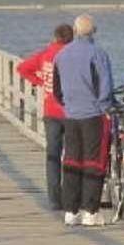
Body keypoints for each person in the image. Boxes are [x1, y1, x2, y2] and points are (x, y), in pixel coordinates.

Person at [52, 14, 116, 227]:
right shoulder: (98, 54)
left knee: (71, 161)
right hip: (93, 115)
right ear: (93, 31)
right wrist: (105, 108)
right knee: (93, 162)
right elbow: (105, 87)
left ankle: (70, 211)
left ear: (75, 30)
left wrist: (68, 105)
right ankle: (90, 211)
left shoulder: (61, 55)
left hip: (71, 116)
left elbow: (56, 90)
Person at [16, 23, 74, 211]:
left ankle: (54, 198)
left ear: (55, 37)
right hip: (71, 112)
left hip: (50, 112)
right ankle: (70, 196)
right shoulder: (72, 55)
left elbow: (22, 68)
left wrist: (40, 81)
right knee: (71, 156)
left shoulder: (46, 54)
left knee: (52, 155)